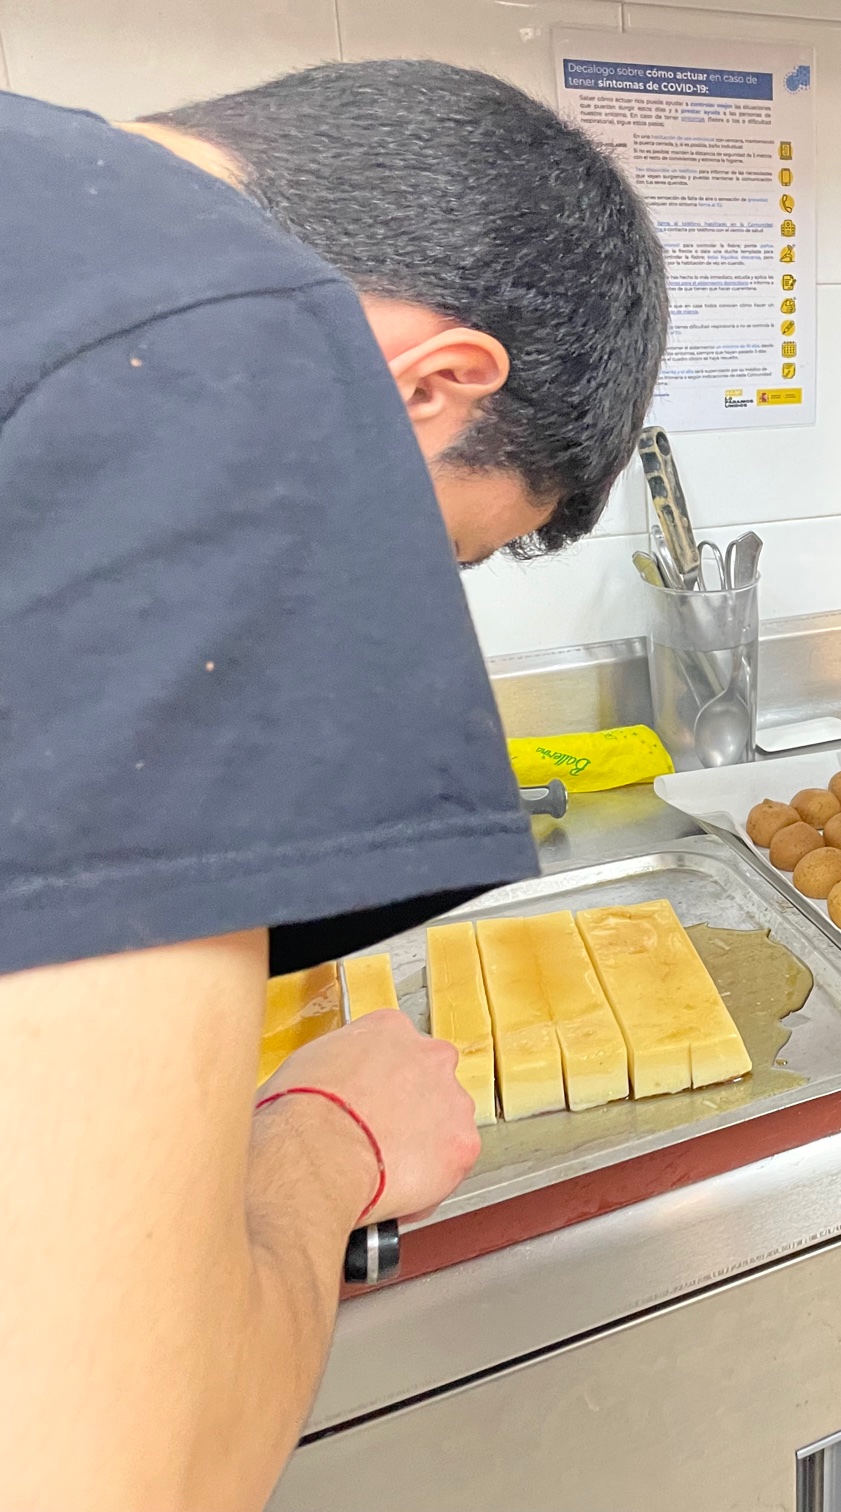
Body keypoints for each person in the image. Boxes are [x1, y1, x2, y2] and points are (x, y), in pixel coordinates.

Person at [0, 60, 665, 1509]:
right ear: (433, 385)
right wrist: (329, 1142)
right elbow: (119, 1475)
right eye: (433, 553)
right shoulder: (221, 364)